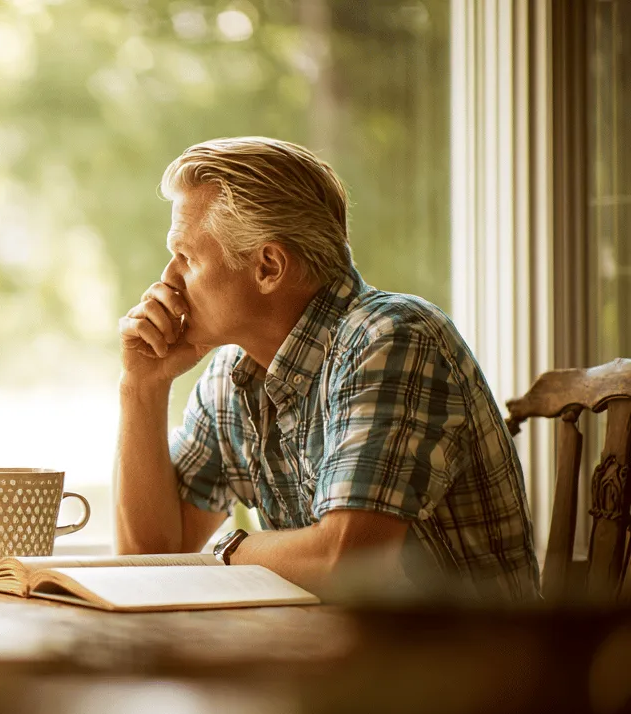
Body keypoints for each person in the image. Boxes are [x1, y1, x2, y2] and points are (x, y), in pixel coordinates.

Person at [115, 136, 537, 599]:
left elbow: (349, 561)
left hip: (471, 664)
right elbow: (148, 554)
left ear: (268, 267)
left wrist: (231, 549)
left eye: (187, 258)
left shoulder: (392, 338)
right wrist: (141, 387)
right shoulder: (232, 376)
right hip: (340, 658)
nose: (167, 279)